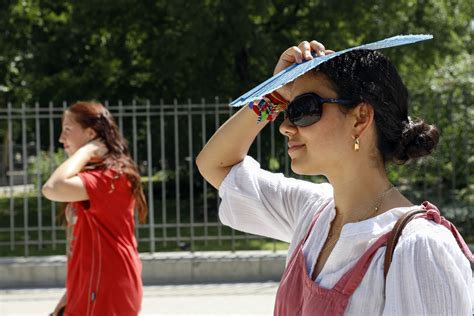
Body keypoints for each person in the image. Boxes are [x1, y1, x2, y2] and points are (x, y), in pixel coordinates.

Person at [196, 40, 473, 315]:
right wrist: (274, 97)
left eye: (303, 109)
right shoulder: (313, 212)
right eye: (287, 109)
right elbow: (216, 165)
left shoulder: (419, 248)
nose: (285, 126)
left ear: (360, 118)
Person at [42, 101, 147, 316]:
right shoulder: (97, 176)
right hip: (91, 287)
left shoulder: (111, 178)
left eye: (68, 130)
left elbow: (53, 187)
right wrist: (69, 296)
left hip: (106, 289)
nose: (61, 139)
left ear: (90, 134)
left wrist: (87, 151)